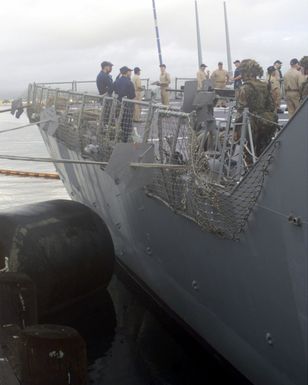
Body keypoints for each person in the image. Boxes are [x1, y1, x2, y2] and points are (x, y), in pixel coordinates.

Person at [236, 59, 278, 157]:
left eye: (242, 73)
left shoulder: (245, 88)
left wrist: (236, 130)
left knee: (249, 153)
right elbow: (271, 106)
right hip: (266, 122)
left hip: (251, 125)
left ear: (247, 73)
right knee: (264, 151)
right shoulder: (264, 85)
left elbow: (240, 110)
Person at [113, 66, 136, 142]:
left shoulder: (116, 82)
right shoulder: (129, 83)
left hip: (119, 105)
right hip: (128, 106)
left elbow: (115, 92)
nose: (131, 73)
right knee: (128, 125)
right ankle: (126, 141)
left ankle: (120, 139)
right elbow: (133, 96)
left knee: (120, 123)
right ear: (127, 72)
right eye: (130, 71)